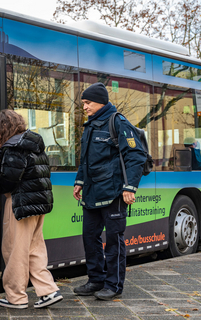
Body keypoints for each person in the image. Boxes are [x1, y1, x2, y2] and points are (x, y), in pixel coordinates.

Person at [72, 82, 147, 300]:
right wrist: (79, 181)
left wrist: (129, 187)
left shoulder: (118, 122)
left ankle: (113, 285)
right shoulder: (90, 125)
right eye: (83, 103)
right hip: (92, 193)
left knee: (114, 240)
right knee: (89, 237)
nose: (84, 107)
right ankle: (96, 280)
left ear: (101, 102)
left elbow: (136, 156)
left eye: (87, 103)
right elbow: (85, 160)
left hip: (114, 193)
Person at [0, 109, 63, 309]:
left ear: (2, 129)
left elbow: (8, 180)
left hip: (20, 204)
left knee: (14, 250)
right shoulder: (34, 144)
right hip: (39, 204)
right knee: (35, 249)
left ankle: (16, 297)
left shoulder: (14, 147)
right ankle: (49, 291)